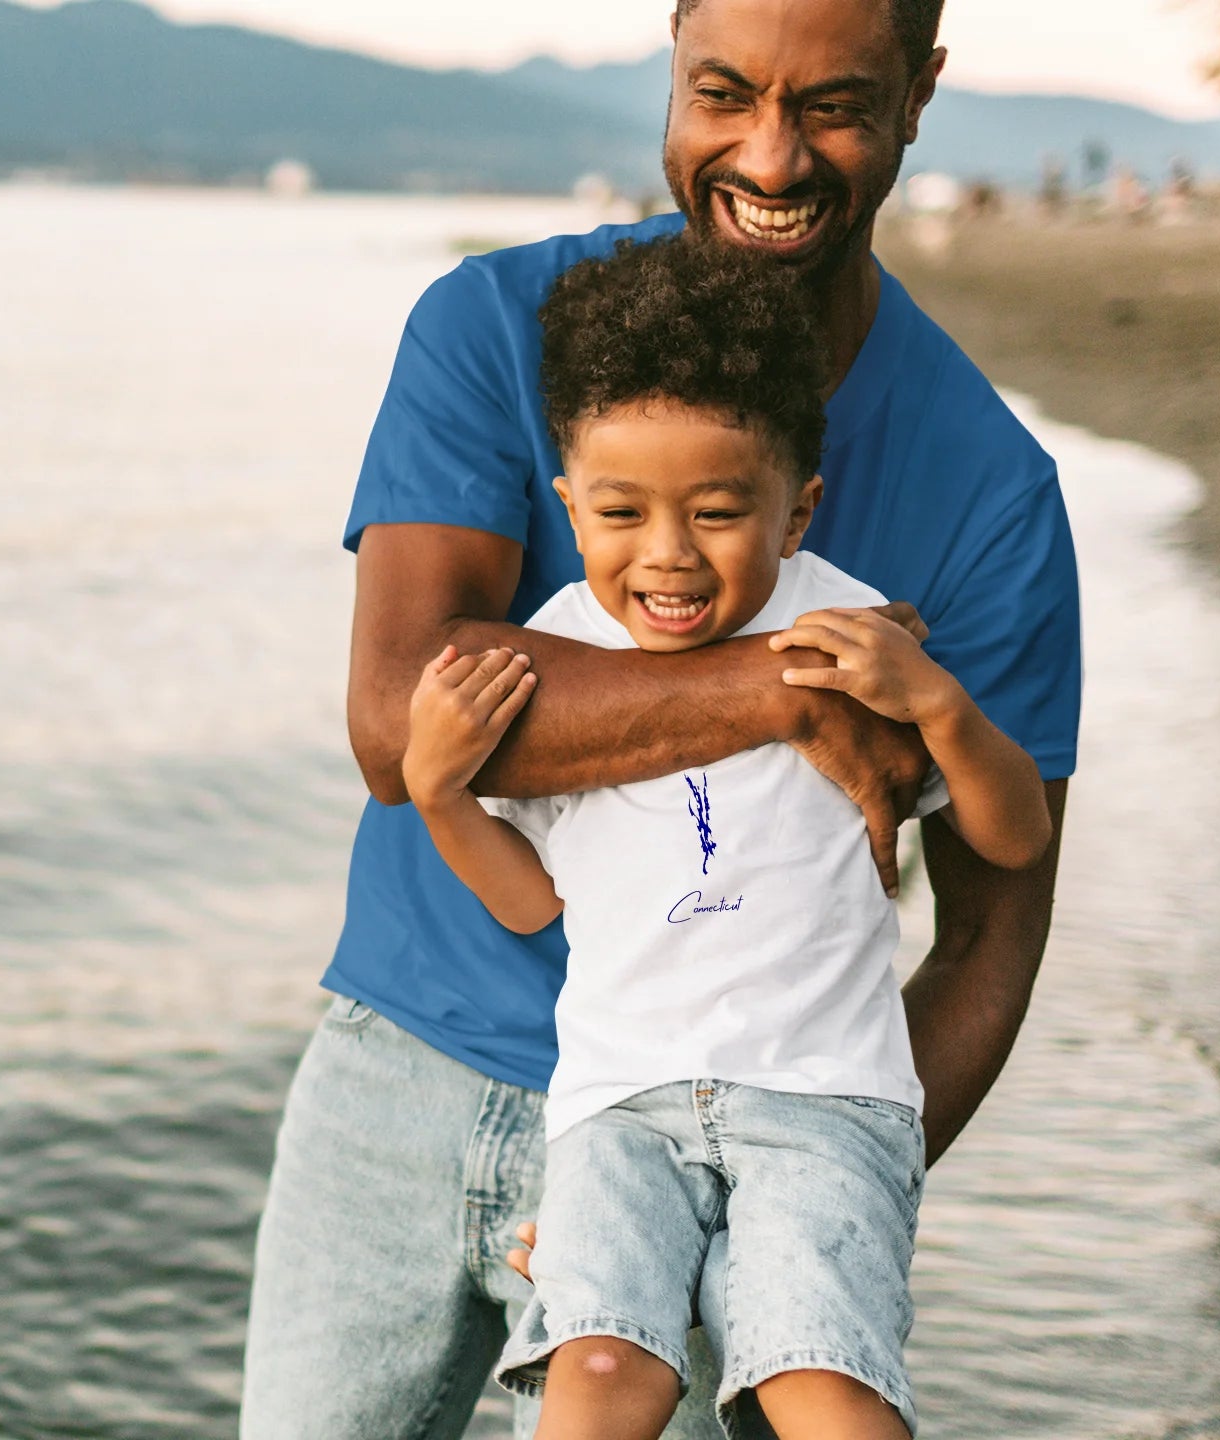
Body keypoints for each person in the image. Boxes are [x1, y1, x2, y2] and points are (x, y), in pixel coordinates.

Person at [239, 1, 1082, 1436]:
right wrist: (781, 691)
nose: (769, 153)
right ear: (673, 68)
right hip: (403, 1074)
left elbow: (995, 923)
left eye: (831, 104)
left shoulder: (991, 488)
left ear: (922, 92)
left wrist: (807, 1199)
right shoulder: (493, 329)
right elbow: (399, 725)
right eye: (723, 92)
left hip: (734, 1135)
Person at [401, 236, 1053, 1440]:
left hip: (823, 1097)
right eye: (620, 512)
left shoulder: (856, 636)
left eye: (716, 511)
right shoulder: (550, 653)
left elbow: (1010, 842)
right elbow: (531, 903)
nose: (667, 553)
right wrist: (441, 796)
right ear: (568, 506)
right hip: (621, 1107)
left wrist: (943, 709)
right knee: (598, 1378)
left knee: (821, 1385)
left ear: (796, 507)